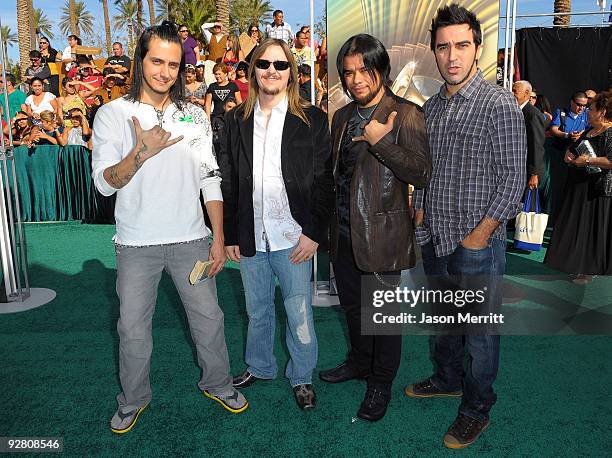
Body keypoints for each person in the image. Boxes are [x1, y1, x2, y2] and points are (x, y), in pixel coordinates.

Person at [91, 21, 248, 435]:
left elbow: (209, 178)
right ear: (141, 60)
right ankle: (134, 399)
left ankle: (217, 383)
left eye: (173, 64)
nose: (164, 71)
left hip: (191, 239)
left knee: (210, 319)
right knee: (132, 329)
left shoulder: (194, 115)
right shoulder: (113, 114)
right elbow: (104, 184)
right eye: (156, 61)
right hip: (135, 244)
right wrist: (139, 154)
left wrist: (217, 237)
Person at [406, 4, 525, 449]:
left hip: (477, 243)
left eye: (461, 45)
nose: (452, 55)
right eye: (443, 47)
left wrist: (481, 234)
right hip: (434, 237)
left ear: (477, 49)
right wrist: (419, 210)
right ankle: (446, 379)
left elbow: (513, 179)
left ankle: (476, 409)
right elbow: (425, 170)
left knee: (479, 333)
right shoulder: (432, 107)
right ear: (434, 52)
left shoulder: (498, 104)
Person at [318, 34, 431, 422]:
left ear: (381, 69)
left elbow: (421, 172)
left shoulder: (407, 113)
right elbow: (337, 175)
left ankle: (380, 383)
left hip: (383, 237)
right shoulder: (342, 116)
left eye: (364, 70)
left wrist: (382, 143)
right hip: (344, 235)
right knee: (353, 309)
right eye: (348, 73)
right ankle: (359, 363)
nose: (356, 79)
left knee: (383, 318)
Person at [219, 39, 334, 410]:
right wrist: (233, 235)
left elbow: (324, 181)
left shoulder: (312, 119)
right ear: (253, 70)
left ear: (291, 73)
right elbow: (230, 178)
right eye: (264, 63)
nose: (272, 70)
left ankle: (301, 376)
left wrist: (314, 232)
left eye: (280, 65)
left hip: (294, 237)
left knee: (298, 311)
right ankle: (260, 366)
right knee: (257, 310)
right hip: (252, 236)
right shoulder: (236, 120)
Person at [544, 90, 612, 284]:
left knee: (591, 230)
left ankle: (589, 269)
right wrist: (568, 154)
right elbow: (574, 149)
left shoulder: (609, 131)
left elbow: (610, 160)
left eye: (591, 109)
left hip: (596, 189)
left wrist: (589, 160)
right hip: (578, 186)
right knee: (575, 226)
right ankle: (574, 263)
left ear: (602, 111)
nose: (587, 112)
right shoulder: (589, 130)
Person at [512, 80, 546, 191]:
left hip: (526, 171)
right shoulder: (514, 110)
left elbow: (536, 145)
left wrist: (534, 173)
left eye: (515, 91)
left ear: (526, 93)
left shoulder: (533, 115)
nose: (511, 94)